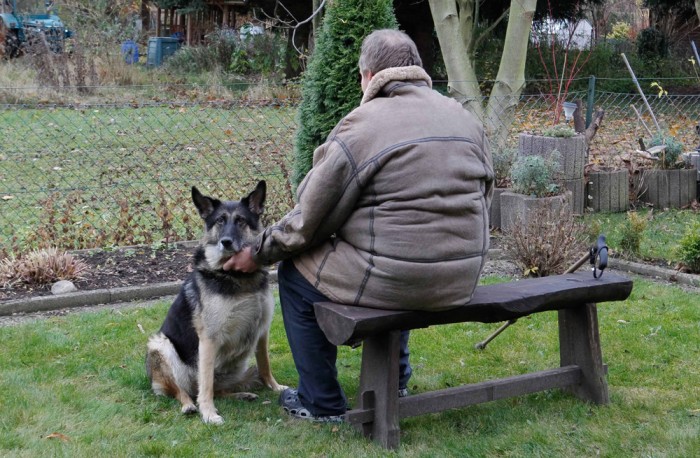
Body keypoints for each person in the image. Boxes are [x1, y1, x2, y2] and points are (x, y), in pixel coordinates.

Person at [224, 29, 494, 422]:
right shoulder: (466, 118)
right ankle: (397, 378)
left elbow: (308, 221)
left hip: (398, 280)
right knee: (399, 253)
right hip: (460, 277)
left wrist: (259, 252)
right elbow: (485, 198)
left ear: (368, 76)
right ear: (416, 69)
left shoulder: (362, 126)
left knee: (295, 272)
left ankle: (322, 402)